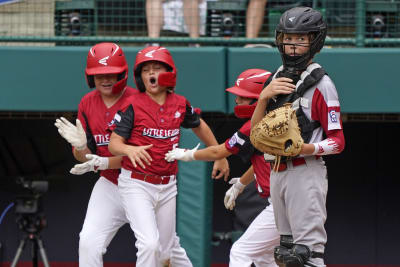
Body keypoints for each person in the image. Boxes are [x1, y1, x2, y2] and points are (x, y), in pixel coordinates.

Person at [107, 46, 230, 266]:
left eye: (156, 68)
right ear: (140, 77)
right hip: (137, 183)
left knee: (166, 252)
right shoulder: (132, 105)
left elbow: (199, 125)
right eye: (145, 70)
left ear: (169, 73)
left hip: (167, 185)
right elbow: (114, 144)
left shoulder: (180, 103)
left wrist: (219, 155)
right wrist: (129, 149)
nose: (151, 74)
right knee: (149, 245)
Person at [251, 7, 345, 267]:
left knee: (306, 256)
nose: (292, 45)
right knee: (285, 254)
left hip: (306, 171)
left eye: (300, 39)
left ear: (314, 41)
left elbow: (338, 141)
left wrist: (305, 148)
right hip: (277, 171)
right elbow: (256, 134)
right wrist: (263, 97)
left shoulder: (322, 83)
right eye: (288, 38)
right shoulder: (276, 77)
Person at [165, 69, 280, 266]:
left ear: (258, 100)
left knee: (241, 251)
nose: (237, 101)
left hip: (284, 205)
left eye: (242, 97)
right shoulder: (275, 119)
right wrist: (240, 185)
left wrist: (187, 154)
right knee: (264, 257)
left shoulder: (255, 124)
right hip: (287, 201)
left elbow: (219, 152)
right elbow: (266, 162)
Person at [54, 42, 137, 266]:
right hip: (109, 184)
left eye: (111, 73)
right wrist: (81, 147)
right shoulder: (87, 102)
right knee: (89, 242)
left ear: (123, 73)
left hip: (142, 184)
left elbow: (138, 156)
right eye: (99, 75)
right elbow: (84, 157)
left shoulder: (137, 100)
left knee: (161, 249)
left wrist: (99, 163)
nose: (105, 79)